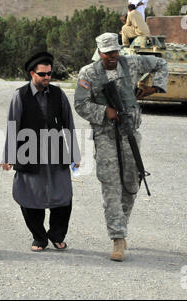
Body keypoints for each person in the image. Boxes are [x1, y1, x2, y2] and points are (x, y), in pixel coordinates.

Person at [74, 33, 167, 261]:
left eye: (114, 51)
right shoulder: (88, 73)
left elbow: (161, 63)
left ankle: (122, 226)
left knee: (131, 184)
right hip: (105, 135)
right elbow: (80, 103)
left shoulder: (132, 63)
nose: (112, 56)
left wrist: (153, 87)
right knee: (110, 185)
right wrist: (104, 112)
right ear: (99, 52)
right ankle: (117, 237)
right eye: (107, 53)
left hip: (130, 134)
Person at [0, 52, 81, 252]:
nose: (46, 78)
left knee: (63, 196)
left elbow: (68, 125)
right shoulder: (19, 96)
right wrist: (8, 157)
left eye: (49, 74)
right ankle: (39, 237)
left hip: (56, 153)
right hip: (28, 153)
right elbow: (13, 127)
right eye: (42, 74)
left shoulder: (58, 94)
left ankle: (57, 234)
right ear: (32, 74)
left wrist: (75, 154)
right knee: (29, 197)